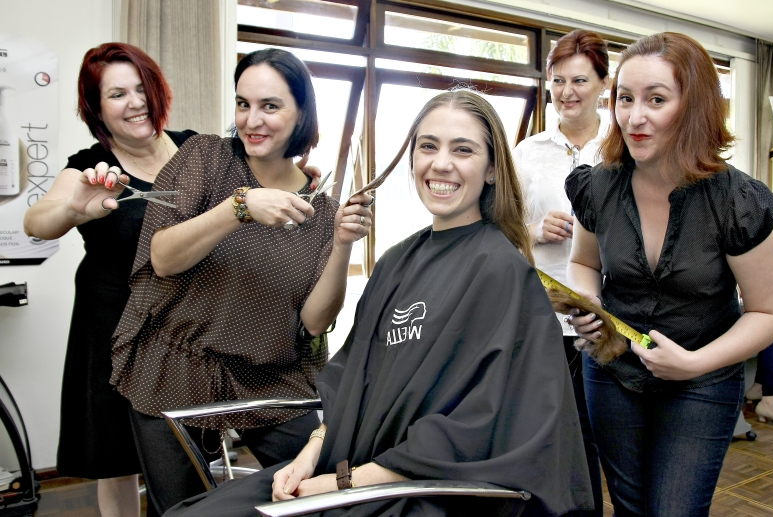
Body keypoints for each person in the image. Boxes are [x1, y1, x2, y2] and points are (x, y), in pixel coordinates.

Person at [162, 90, 594, 517]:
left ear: (493, 169)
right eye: (428, 146)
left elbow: (473, 428)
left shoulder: (501, 271)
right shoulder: (396, 261)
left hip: (420, 488)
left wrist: (340, 484)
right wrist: (307, 458)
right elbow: (352, 377)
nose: (441, 163)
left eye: (463, 150)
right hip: (348, 464)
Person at [108, 47, 372, 516]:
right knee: (182, 511)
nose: (252, 120)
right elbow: (163, 258)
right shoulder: (205, 157)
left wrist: (343, 244)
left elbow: (314, 322)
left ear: (301, 114)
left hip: (269, 376)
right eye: (243, 104)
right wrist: (241, 207)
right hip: (175, 365)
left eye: (270, 106)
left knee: (319, 490)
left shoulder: (321, 209)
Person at [565, 32, 773, 516]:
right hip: (611, 371)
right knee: (629, 507)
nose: (634, 117)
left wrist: (694, 363)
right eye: (625, 98)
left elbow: (771, 312)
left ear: (694, 106)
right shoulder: (599, 185)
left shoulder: (736, 201)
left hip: (702, 381)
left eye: (656, 100)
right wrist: (590, 301)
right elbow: (584, 263)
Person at [23, 42, 197, 517]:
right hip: (112, 325)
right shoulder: (90, 166)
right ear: (97, 109)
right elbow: (37, 220)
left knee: (184, 451)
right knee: (117, 459)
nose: (135, 102)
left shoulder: (194, 150)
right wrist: (73, 209)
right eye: (117, 94)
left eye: (142, 88)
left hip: (184, 326)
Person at [511, 29, 609, 516]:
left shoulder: (625, 145)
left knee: (608, 437)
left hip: (611, 315)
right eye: (557, 81)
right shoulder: (527, 153)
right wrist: (533, 231)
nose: (567, 92)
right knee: (561, 440)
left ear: (603, 84)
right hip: (548, 317)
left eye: (580, 80)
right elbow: (500, 230)